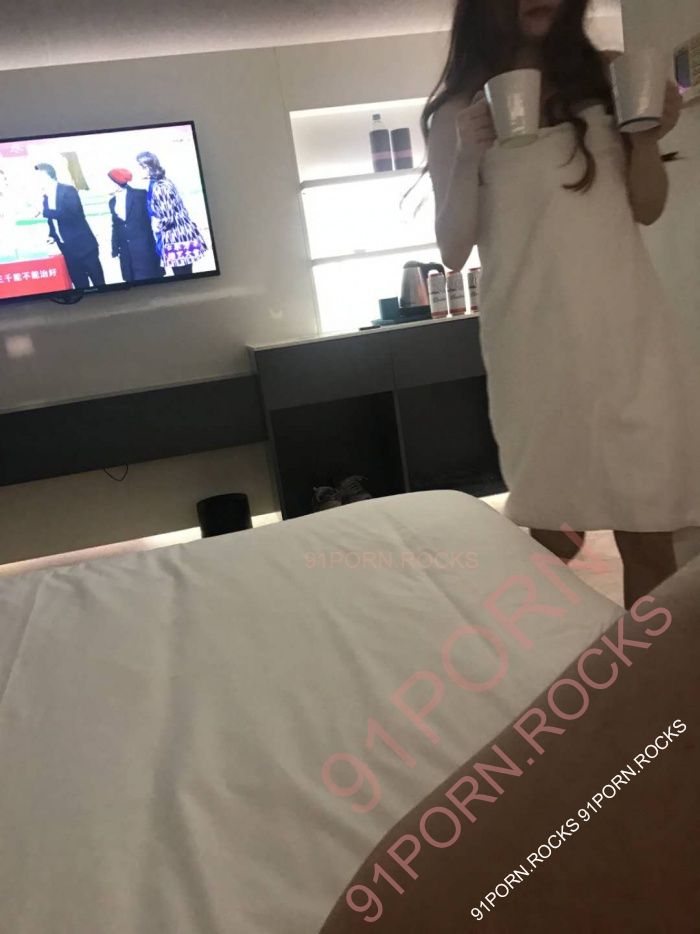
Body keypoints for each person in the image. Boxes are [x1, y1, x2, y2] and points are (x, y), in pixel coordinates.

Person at [426, 0, 694, 609]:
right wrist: (468, 155)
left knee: (649, 535)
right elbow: (452, 248)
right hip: (535, 349)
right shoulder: (457, 112)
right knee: (551, 543)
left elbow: (648, 207)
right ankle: (549, 663)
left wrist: (643, 136)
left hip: (629, 341)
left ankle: (646, 673)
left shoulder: (609, 77)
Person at [135, 151, 208, 277]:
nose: (137, 171)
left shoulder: (160, 187)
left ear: (147, 168)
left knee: (182, 276)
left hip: (176, 239)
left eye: (139, 167)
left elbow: (168, 218)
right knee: (185, 275)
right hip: (181, 236)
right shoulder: (162, 182)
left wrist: (156, 226)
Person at [35, 162, 105, 289]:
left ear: (47, 176)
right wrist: (53, 235)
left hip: (84, 247)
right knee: (80, 286)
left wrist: (43, 211)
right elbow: (53, 221)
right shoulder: (46, 196)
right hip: (67, 250)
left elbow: (71, 215)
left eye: (37, 177)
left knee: (99, 284)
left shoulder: (67, 190)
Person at [107, 168, 163, 283]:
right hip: (126, 253)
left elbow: (153, 216)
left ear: (116, 182)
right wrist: (115, 248)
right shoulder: (112, 202)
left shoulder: (140, 195)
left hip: (143, 249)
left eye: (109, 182)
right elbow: (116, 226)